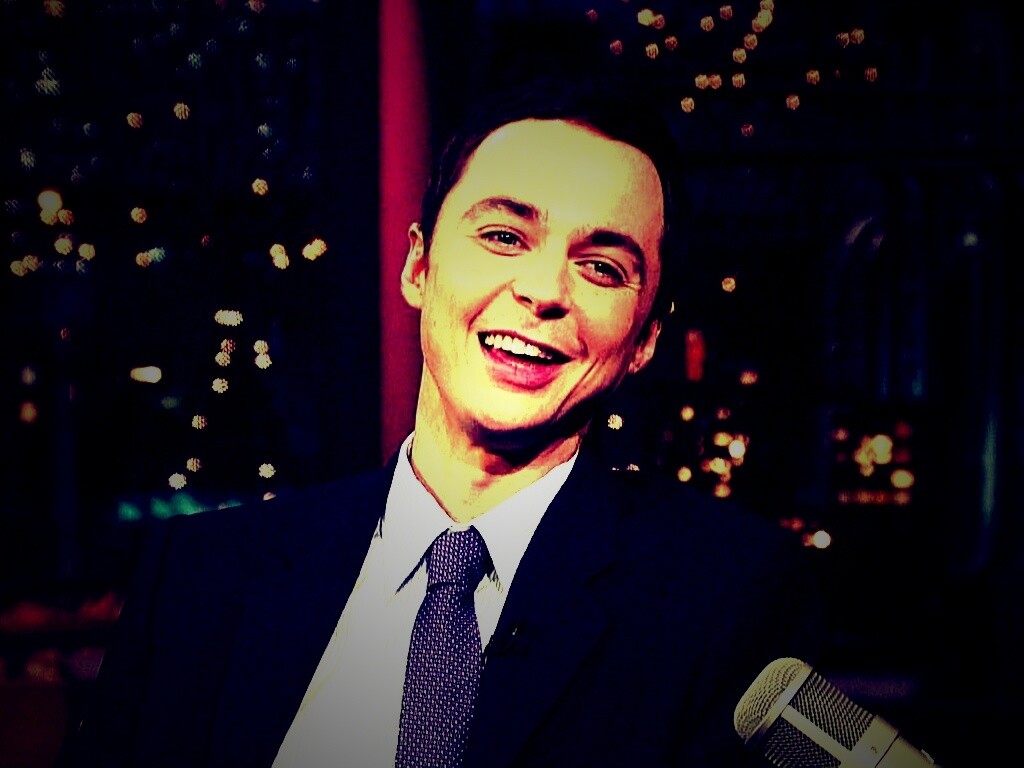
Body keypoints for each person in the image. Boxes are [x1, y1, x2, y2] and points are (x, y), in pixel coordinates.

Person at [56, 73, 824, 767]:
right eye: (504, 237)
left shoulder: (724, 598)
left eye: (601, 267)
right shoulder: (201, 578)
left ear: (645, 339)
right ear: (418, 266)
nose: (543, 291)